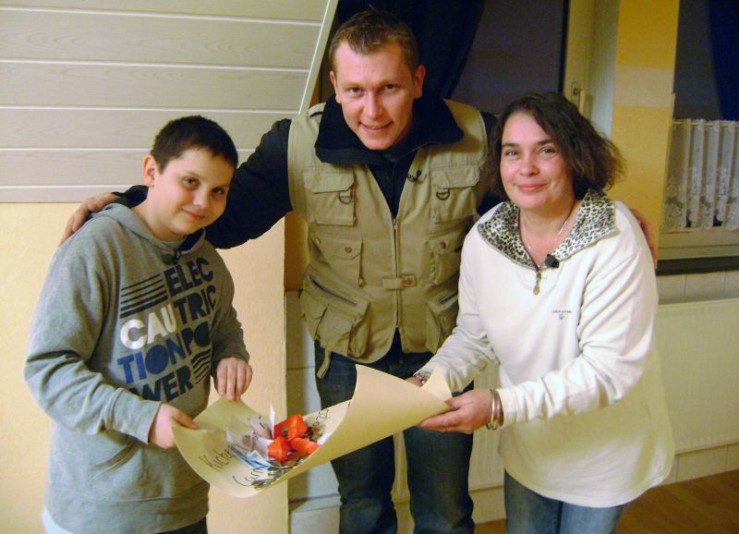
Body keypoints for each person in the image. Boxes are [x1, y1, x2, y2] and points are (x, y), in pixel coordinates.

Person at [60, 9, 658, 534]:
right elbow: (222, 214)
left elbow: (539, 181)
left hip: (442, 353)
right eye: (354, 91)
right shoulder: (296, 144)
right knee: (363, 503)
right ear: (334, 86)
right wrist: (130, 205)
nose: (371, 111)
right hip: (344, 357)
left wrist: (607, 213)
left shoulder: (477, 135)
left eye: (389, 88)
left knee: (445, 508)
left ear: (417, 81)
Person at [412, 92, 674, 534]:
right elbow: (473, 337)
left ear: (575, 156)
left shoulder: (614, 237)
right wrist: (425, 383)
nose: (526, 168)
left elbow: (607, 371)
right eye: (512, 152)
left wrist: (499, 405)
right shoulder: (485, 238)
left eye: (546, 150)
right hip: (531, 447)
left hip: (604, 455)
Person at [26, 116, 254, 534]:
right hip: (102, 508)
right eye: (190, 181)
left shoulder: (208, 259)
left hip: (184, 499)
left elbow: (223, 326)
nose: (203, 202)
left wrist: (231, 355)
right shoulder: (95, 249)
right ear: (151, 171)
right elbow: (48, 370)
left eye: (218, 190)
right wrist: (141, 418)